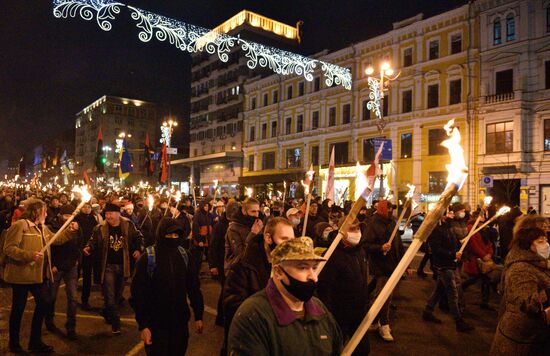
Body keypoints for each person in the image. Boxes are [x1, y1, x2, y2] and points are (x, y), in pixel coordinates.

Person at [228, 237, 343, 355]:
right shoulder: (253, 316)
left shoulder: (320, 310)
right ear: (278, 272)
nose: (313, 276)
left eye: (314, 267)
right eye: (302, 267)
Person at [4, 199, 79, 353]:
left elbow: (56, 239)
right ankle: (14, 344)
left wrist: (70, 231)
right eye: (44, 210)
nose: (46, 213)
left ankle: (35, 341)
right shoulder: (20, 225)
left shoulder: (42, 227)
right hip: (21, 276)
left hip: (38, 277)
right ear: (36, 211)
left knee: (44, 302)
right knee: (18, 309)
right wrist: (29, 255)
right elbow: (9, 248)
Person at [130, 218, 204, 356]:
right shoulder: (148, 258)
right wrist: (143, 325)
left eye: (176, 235)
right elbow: (138, 295)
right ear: (161, 234)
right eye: (169, 235)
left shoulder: (184, 256)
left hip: (180, 323)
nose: (173, 238)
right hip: (156, 324)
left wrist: (199, 315)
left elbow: (193, 287)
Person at [223, 217, 295, 353]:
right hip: (253, 338)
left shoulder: (290, 267)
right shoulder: (244, 265)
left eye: (292, 241)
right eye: (284, 240)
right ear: (268, 238)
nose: (289, 246)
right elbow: (233, 306)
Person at [83, 202, 143, 334]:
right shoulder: (100, 228)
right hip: (107, 266)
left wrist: (138, 249)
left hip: (123, 265)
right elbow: (93, 240)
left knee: (116, 296)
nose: (108, 216)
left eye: (110, 214)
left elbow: (138, 237)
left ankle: (106, 311)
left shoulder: (128, 225)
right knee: (109, 295)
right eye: (106, 214)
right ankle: (116, 323)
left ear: (117, 214)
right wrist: (88, 247)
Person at [490, 227, 550, 355]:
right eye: (540, 241)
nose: (545, 244)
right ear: (527, 244)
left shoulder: (537, 262)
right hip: (520, 337)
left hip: (532, 335)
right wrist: (548, 295)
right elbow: (528, 303)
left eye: (545, 240)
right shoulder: (521, 269)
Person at [318, 219, 370, 355]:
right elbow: (324, 288)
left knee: (362, 349)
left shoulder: (360, 251)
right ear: (342, 232)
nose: (357, 233)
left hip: (359, 312)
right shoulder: (332, 255)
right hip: (339, 315)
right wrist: (328, 317)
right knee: (335, 349)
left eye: (358, 229)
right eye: (352, 229)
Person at [422, 210, 474, 332]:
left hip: (449, 263)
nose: (451, 214)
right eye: (448, 212)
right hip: (443, 265)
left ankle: (427, 311)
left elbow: (453, 241)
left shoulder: (447, 227)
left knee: (439, 290)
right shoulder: (436, 229)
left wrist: (459, 249)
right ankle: (458, 321)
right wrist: (452, 254)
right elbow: (437, 249)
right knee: (452, 293)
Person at [364, 200, 405, 341]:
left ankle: (373, 321)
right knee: (385, 296)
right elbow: (366, 244)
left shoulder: (392, 222)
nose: (391, 211)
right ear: (382, 209)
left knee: (382, 295)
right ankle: (384, 324)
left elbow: (398, 244)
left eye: (392, 208)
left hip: (392, 264)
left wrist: (405, 264)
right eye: (389, 208)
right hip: (380, 265)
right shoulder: (373, 223)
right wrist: (380, 248)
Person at [45, 204, 85, 339]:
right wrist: (53, 264)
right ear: (61, 215)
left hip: (71, 267)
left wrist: (77, 260)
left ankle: (71, 327)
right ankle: (49, 321)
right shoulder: (53, 227)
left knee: (73, 298)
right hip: (56, 268)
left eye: (71, 216)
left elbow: (80, 244)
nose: (69, 218)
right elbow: (51, 247)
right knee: (51, 297)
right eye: (66, 216)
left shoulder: (76, 228)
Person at [462, 210, 502, 310]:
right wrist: (483, 255)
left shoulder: (484, 228)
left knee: (486, 280)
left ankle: (485, 301)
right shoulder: (471, 228)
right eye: (482, 216)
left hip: (484, 259)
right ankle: (459, 291)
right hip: (475, 259)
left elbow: (489, 243)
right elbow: (473, 244)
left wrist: (489, 253)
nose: (484, 218)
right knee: (473, 279)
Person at [224, 198, 263, 270]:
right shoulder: (233, 228)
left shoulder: (256, 224)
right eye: (253, 211)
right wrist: (253, 234)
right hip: (237, 269)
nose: (256, 215)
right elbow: (241, 255)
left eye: (258, 211)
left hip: (253, 268)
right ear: (244, 211)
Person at [74, 202, 98, 310]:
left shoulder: (93, 219)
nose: (87, 209)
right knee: (75, 276)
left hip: (88, 251)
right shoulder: (77, 219)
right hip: (78, 251)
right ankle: (73, 298)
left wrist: (90, 247)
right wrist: (80, 247)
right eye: (85, 207)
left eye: (89, 207)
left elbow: (95, 234)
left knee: (87, 277)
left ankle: (85, 300)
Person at [191, 201, 212, 272]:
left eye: (207, 206)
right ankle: (196, 272)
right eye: (205, 206)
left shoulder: (209, 214)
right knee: (198, 257)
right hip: (201, 239)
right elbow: (195, 229)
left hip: (208, 238)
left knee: (209, 255)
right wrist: (199, 240)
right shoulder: (197, 215)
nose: (206, 207)